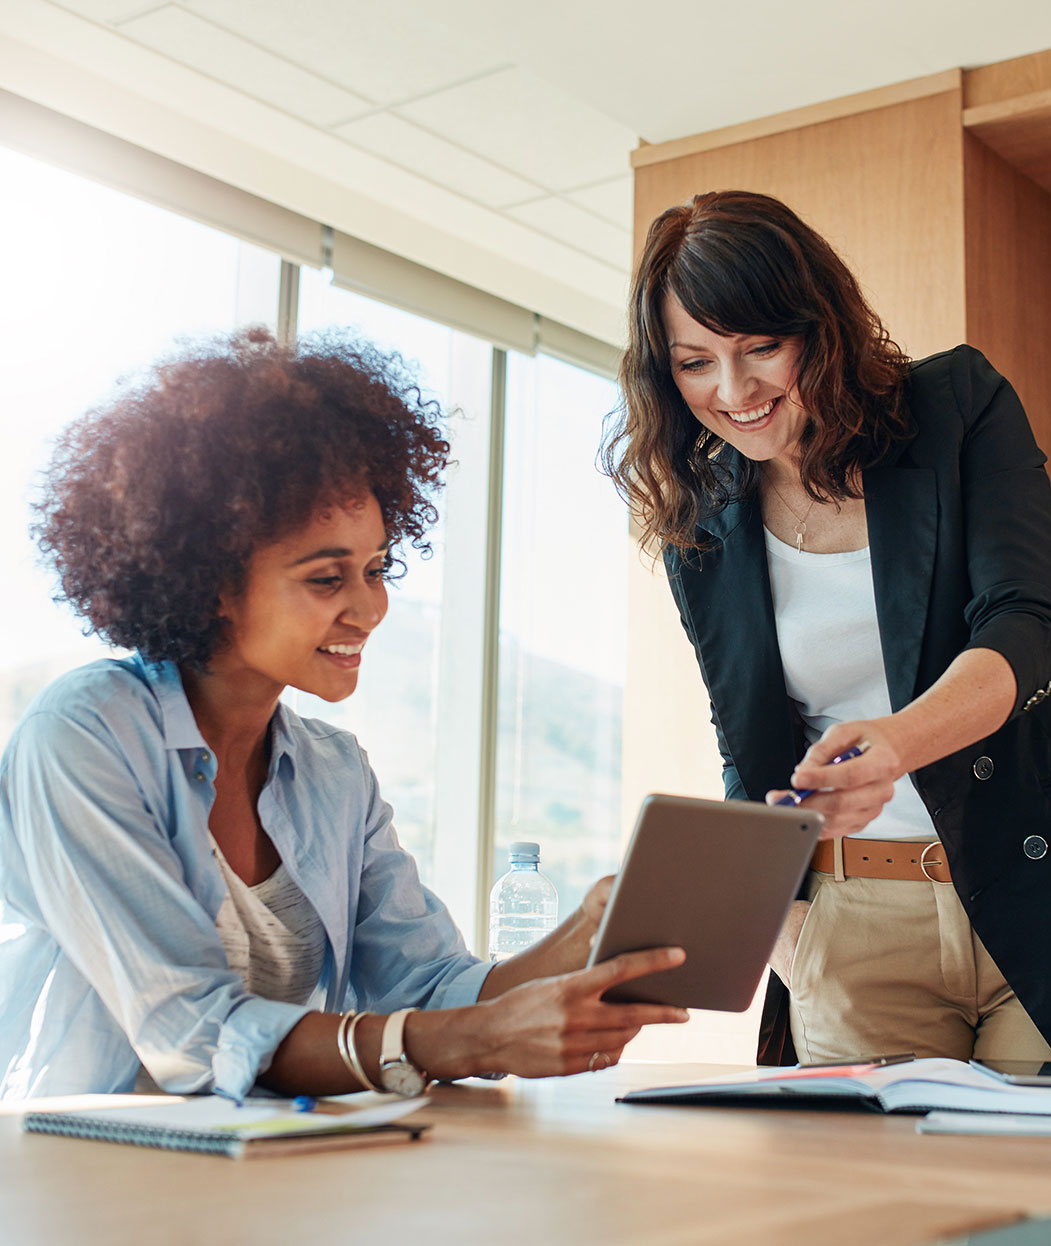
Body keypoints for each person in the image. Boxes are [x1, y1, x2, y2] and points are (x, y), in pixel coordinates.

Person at [0, 328, 688, 1101]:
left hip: (268, 1170)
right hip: (83, 1181)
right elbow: (194, 1035)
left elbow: (426, 992)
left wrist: (577, 941)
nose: (369, 608)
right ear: (211, 584)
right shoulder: (86, 736)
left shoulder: (332, 772)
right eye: (327, 579)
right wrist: (470, 1039)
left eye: (375, 569)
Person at [603, 189, 1051, 1067]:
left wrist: (897, 742)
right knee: (873, 1204)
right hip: (854, 928)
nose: (734, 390)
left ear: (819, 326)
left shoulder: (956, 409)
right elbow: (751, 749)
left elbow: (1024, 628)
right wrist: (787, 937)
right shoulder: (706, 527)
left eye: (762, 347)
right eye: (695, 362)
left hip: (1046, 893)